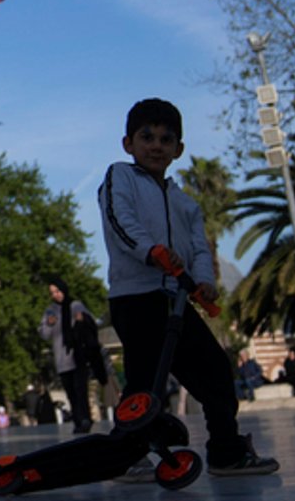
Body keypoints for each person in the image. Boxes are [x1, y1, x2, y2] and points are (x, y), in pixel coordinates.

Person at [100, 99, 277, 479]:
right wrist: (153, 253)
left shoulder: (185, 203)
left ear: (178, 149)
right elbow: (120, 221)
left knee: (215, 372)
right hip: (135, 297)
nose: (156, 145)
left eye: (166, 139)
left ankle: (226, 452)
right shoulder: (119, 177)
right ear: (127, 143)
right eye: (146, 137)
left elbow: (199, 248)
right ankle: (128, 454)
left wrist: (205, 285)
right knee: (145, 380)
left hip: (176, 302)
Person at [40, 279, 100, 433]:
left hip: (78, 354)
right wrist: (50, 324)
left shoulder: (75, 305)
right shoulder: (50, 311)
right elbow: (44, 334)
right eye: (52, 293)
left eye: (57, 291)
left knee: (81, 389)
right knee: (71, 391)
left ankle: (85, 418)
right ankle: (78, 420)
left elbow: (92, 322)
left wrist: (82, 319)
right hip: (62, 358)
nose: (55, 295)